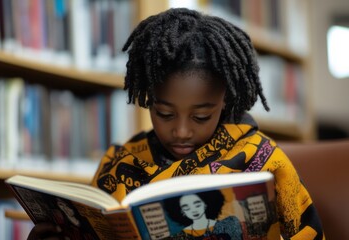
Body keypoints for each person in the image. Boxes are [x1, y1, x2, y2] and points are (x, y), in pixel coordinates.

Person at [28, 7, 324, 239]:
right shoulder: (121, 163)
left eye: (201, 117)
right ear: (147, 99)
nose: (181, 132)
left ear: (225, 100)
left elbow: (309, 233)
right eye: (165, 114)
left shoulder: (265, 161)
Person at [163, 190, 243, 239]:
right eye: (186, 207)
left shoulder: (227, 224)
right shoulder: (180, 235)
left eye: (197, 205)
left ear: (204, 205)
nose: (193, 210)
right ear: (182, 211)